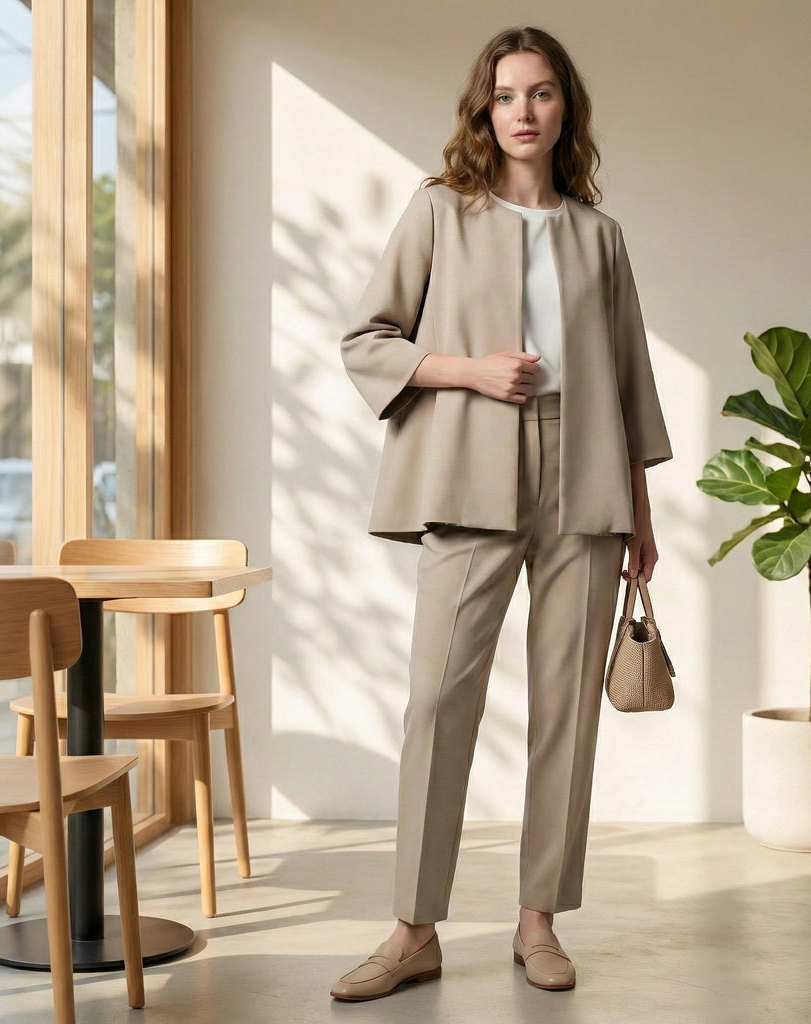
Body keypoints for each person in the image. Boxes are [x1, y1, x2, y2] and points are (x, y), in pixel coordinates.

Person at [332, 25, 671, 1001]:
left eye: (542, 92)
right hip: (471, 465)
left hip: (587, 473)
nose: (524, 110)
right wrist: (468, 371)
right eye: (508, 93)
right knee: (439, 700)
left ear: (566, 109)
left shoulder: (599, 236)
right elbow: (367, 339)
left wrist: (640, 512)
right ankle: (413, 930)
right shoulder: (440, 210)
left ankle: (539, 922)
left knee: (566, 709)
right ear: (485, 109)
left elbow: (629, 382)